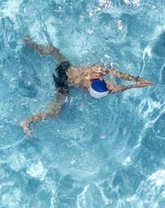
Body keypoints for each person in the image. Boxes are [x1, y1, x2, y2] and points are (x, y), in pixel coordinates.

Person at [21, 37, 152, 137]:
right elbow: (117, 78)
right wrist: (136, 82)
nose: (111, 86)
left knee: (55, 51)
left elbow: (117, 84)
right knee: (56, 111)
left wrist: (136, 83)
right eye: (109, 86)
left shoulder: (96, 72)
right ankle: (27, 122)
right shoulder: (97, 73)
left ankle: (30, 43)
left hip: (66, 71)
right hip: (64, 82)